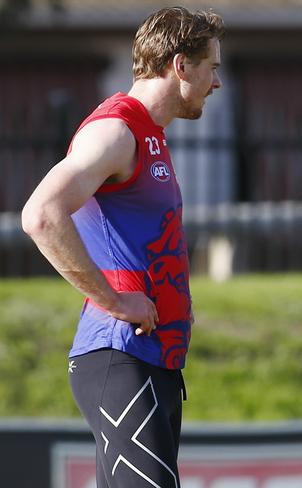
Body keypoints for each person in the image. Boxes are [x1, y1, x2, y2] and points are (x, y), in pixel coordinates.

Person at [22, 7, 224, 487]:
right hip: (121, 357)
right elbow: (41, 214)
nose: (217, 82)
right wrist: (112, 300)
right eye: (212, 67)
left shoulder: (150, 135)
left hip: (153, 363)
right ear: (181, 65)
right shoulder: (115, 130)